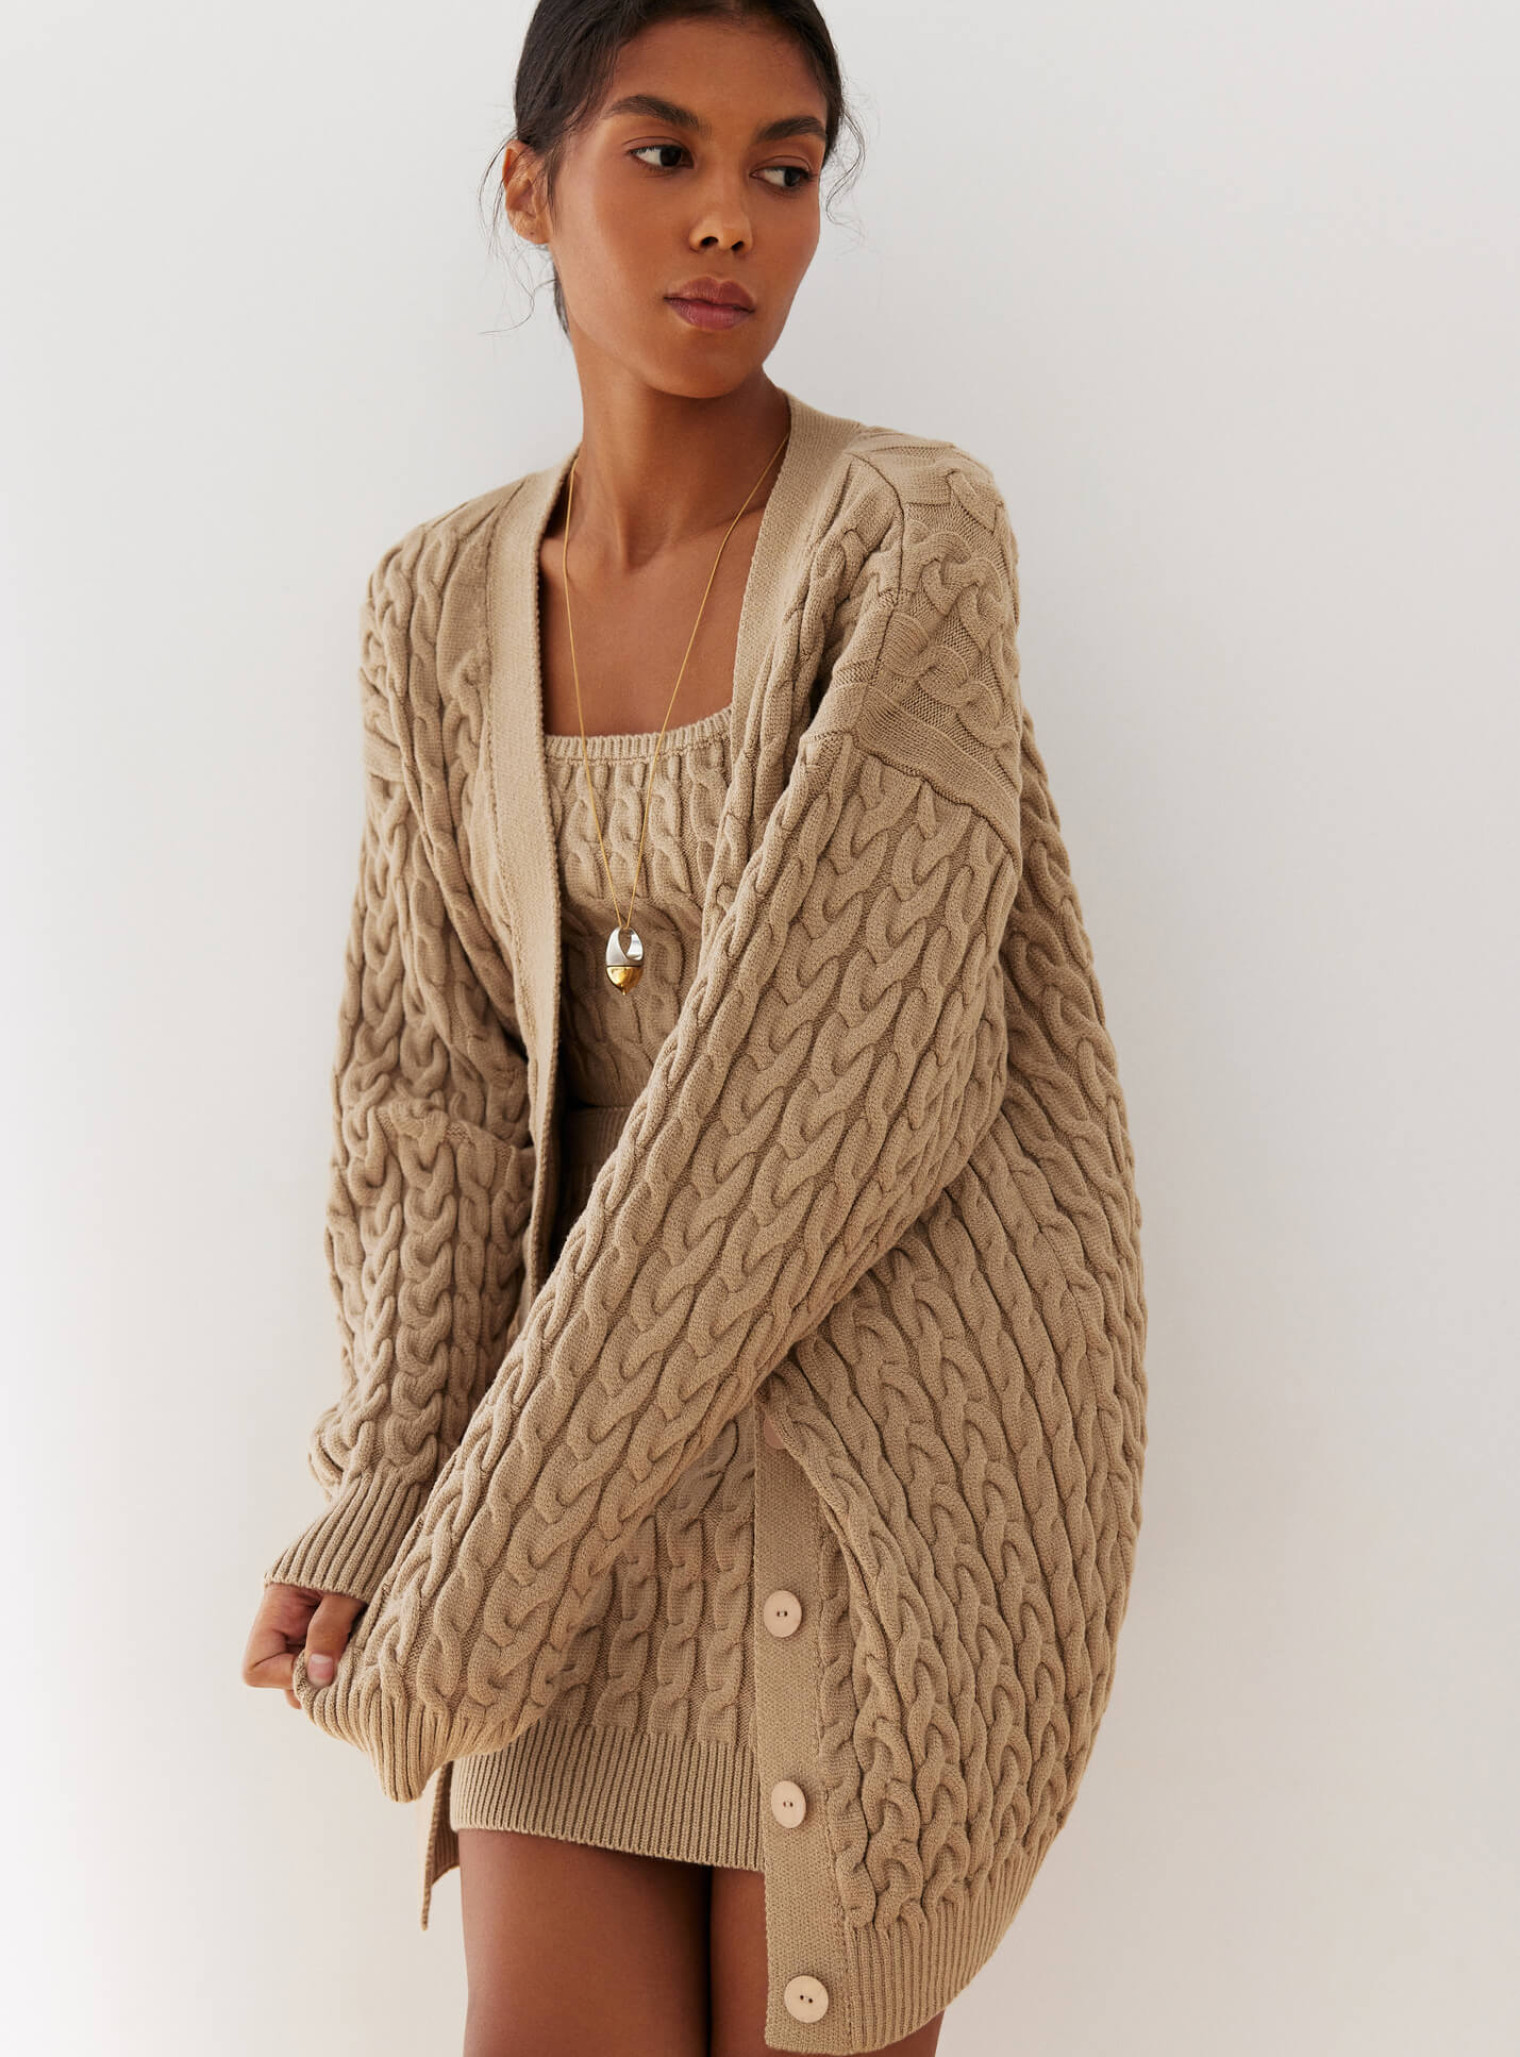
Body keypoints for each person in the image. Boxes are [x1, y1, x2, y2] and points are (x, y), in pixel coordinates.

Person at [242, 4, 1149, 2054]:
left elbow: (808, 1109)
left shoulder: (910, 537)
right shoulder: (433, 603)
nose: (729, 219)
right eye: (663, 154)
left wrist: (468, 1567)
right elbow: (433, 1098)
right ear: (528, 187)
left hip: (869, 1485)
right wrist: (384, 1494)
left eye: (784, 167)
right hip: (556, 1519)